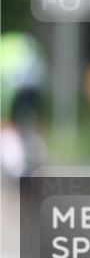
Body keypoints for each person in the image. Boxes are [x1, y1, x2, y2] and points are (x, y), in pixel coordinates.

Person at [0, 31, 48, 181]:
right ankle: (37, 157)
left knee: (7, 126)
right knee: (34, 124)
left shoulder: (5, 44)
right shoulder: (27, 42)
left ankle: (16, 168)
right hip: (34, 87)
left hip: (10, 89)